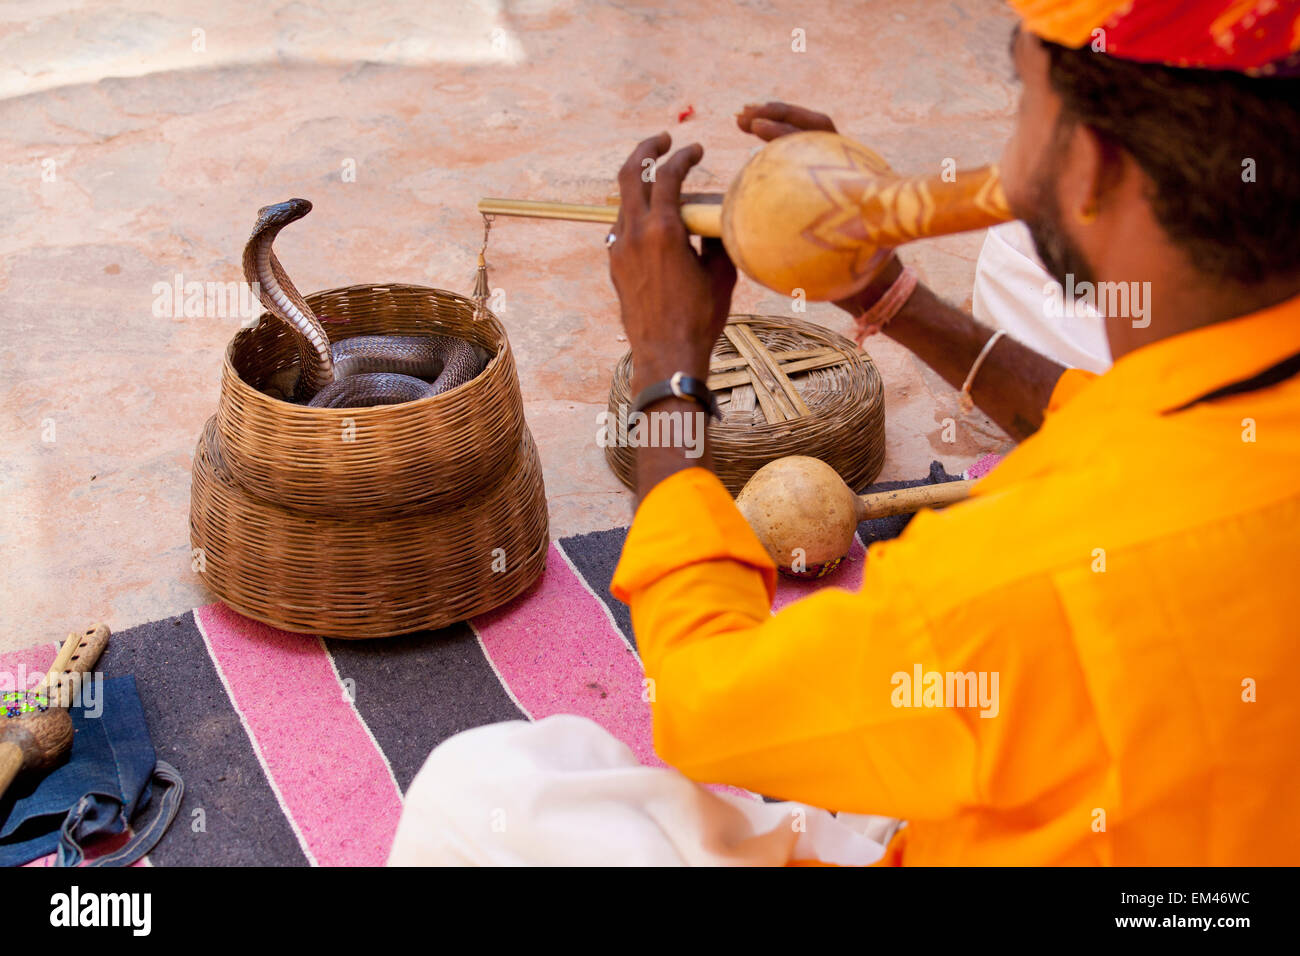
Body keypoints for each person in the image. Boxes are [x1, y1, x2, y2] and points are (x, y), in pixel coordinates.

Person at [389, 0, 1300, 865]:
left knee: (475, 797)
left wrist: (669, 370)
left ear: (1095, 165)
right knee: (1020, 261)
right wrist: (886, 297)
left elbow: (708, 710)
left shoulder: (1011, 581)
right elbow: (1143, 431)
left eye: (1024, 97)